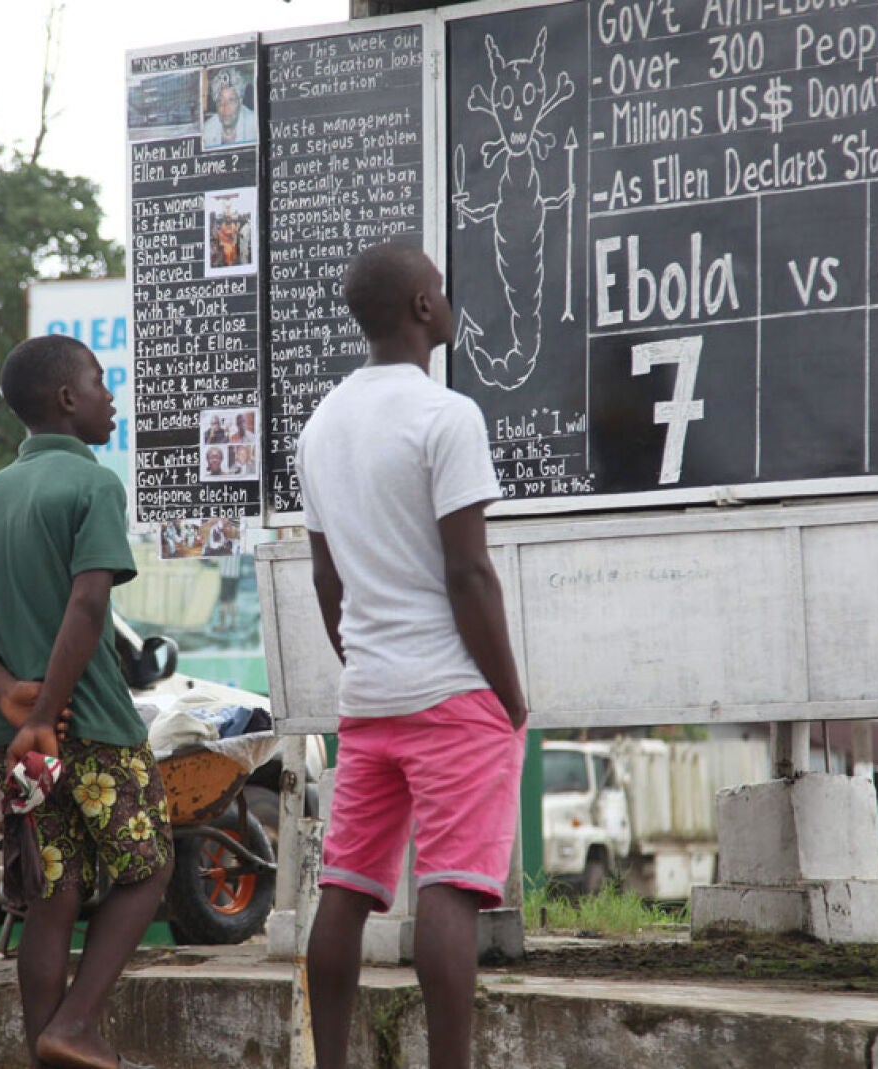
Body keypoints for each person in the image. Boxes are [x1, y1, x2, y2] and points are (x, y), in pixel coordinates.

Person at [294, 243, 528, 1069]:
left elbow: (328, 579)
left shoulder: (321, 426)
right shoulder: (446, 415)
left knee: (347, 886)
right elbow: (469, 572)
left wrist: (362, 659)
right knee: (451, 887)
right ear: (425, 308)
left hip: (370, 695)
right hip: (453, 691)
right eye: (440, 286)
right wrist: (512, 696)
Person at [0, 335, 172, 1069]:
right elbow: (88, 600)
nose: (112, 397)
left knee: (54, 893)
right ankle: (75, 1023)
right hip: (95, 723)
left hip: (18, 739)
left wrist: (10, 693)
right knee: (149, 867)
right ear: (69, 400)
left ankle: (49, 1049)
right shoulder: (94, 484)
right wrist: (47, 710)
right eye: (102, 383)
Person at [201, 68, 256, 148]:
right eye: (220, 101)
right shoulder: (207, 130)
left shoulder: (254, 125)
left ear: (240, 102)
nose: (225, 107)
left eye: (231, 100)